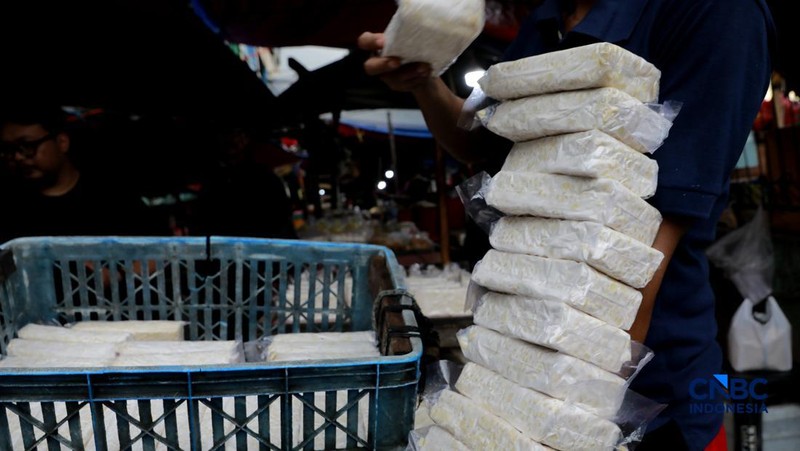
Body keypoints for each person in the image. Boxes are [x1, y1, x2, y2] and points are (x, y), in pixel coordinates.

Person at [359, 0, 775, 449]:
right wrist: (425, 82)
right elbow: (482, 141)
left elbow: (648, 247)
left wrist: (570, 419)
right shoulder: (547, 17)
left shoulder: (718, 12)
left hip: (641, 391)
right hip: (526, 351)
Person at [0, 104, 168, 244]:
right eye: (9, 150)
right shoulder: (11, 207)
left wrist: (117, 273)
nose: (17, 157)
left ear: (62, 142)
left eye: (27, 146)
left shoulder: (111, 195)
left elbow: (161, 249)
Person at [192, 126, 297, 239]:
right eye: (225, 135)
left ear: (246, 139)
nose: (231, 139)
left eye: (236, 134)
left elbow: (282, 219)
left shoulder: (265, 178)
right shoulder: (211, 182)